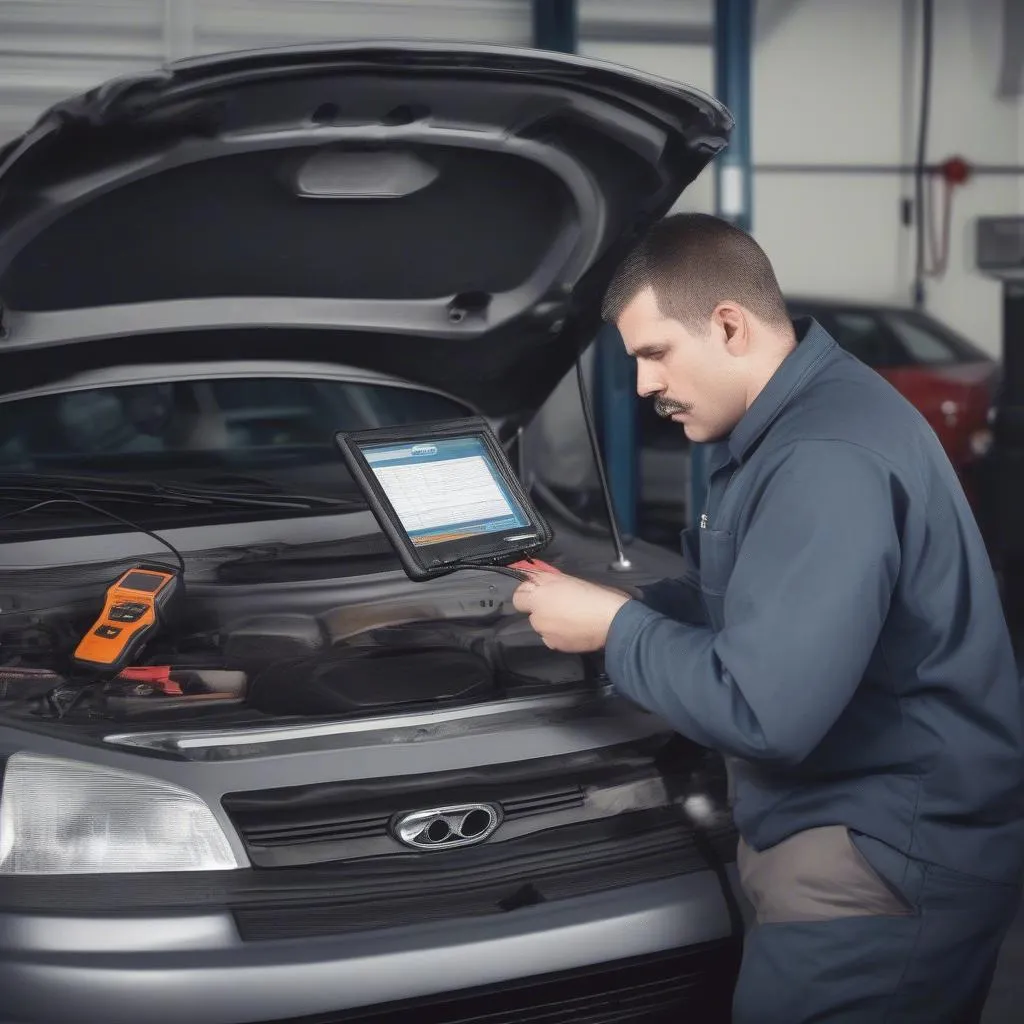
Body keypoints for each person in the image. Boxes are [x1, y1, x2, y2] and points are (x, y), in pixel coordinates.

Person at [512, 213, 1024, 1023]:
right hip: (867, 831)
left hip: (881, 856)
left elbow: (764, 710)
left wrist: (616, 631)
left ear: (727, 325)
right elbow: (741, 595)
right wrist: (619, 607)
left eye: (653, 354)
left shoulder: (825, 455)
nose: (643, 386)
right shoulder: (785, 426)